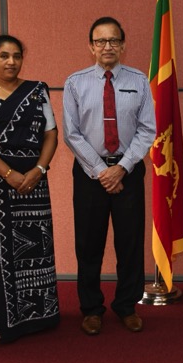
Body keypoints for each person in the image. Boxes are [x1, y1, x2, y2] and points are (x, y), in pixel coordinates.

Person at [0, 35, 60, 342]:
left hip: (34, 180)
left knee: (36, 245)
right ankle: (1, 318)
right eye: (4, 56)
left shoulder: (37, 90)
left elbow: (51, 134)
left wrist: (39, 170)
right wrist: (8, 174)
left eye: (17, 56)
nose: (11, 62)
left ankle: (39, 315)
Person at [63, 17, 155, 335]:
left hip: (128, 171)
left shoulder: (139, 81)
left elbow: (147, 130)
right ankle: (91, 309)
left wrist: (122, 168)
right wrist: (102, 171)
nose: (107, 46)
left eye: (114, 40)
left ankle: (127, 306)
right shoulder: (75, 83)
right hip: (90, 173)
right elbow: (72, 134)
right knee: (89, 244)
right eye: (100, 41)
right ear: (91, 47)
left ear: (123, 45)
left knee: (130, 243)